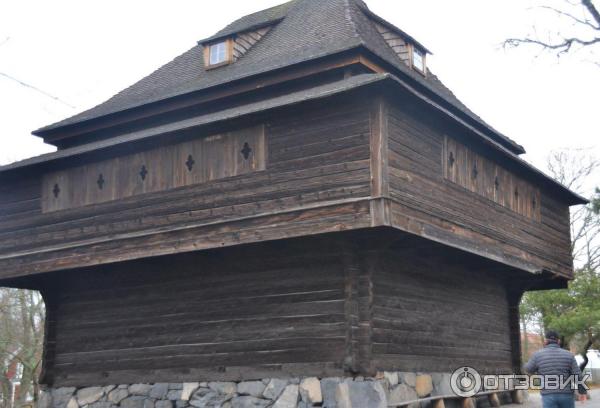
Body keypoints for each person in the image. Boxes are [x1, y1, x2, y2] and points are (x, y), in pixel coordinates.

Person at [524, 330, 586, 408]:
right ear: (558, 341)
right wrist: (582, 392)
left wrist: (526, 364)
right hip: (566, 394)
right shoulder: (569, 355)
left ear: (546, 341)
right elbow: (577, 375)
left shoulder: (537, 355)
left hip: (548, 395)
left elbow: (528, 369)